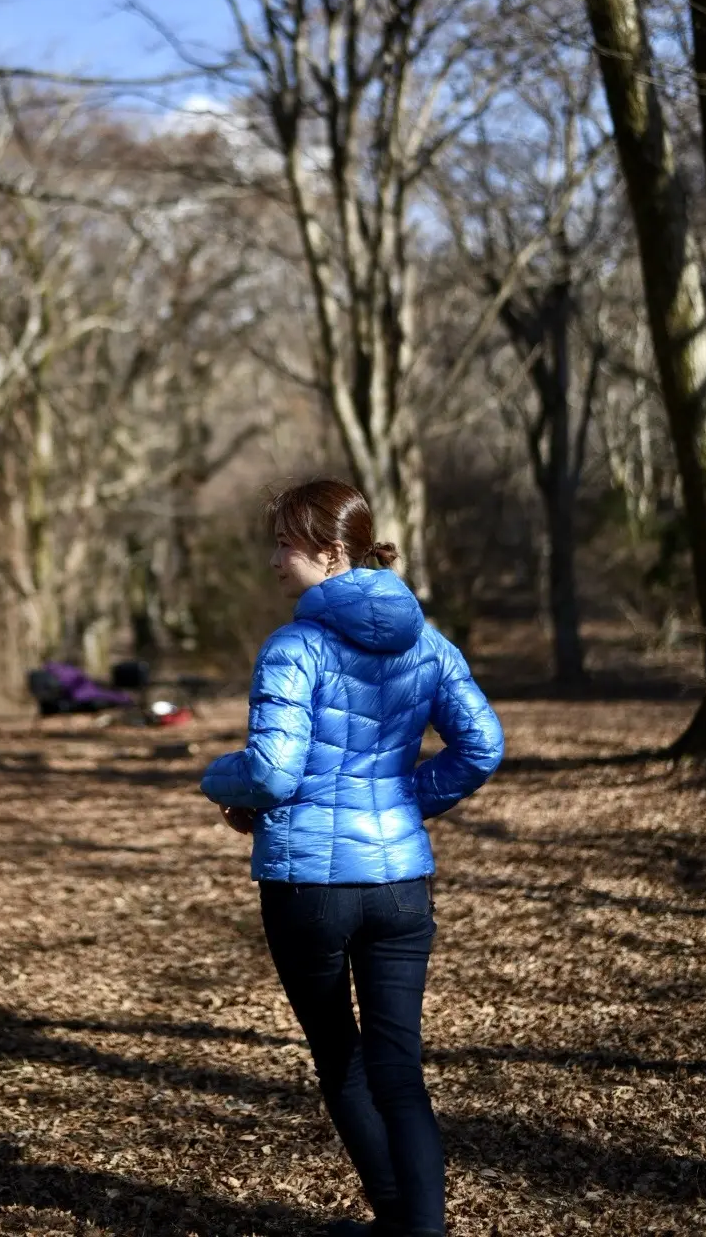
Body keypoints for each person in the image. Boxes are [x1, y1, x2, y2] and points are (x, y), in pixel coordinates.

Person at [200, 479, 504, 1237]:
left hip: (311, 888)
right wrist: (403, 804)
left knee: (342, 1060)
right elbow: (483, 747)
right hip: (401, 884)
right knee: (400, 1071)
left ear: (332, 553)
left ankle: (400, 1223)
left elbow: (271, 772)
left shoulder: (295, 647)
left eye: (284, 545)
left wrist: (215, 779)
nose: (273, 561)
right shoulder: (429, 644)